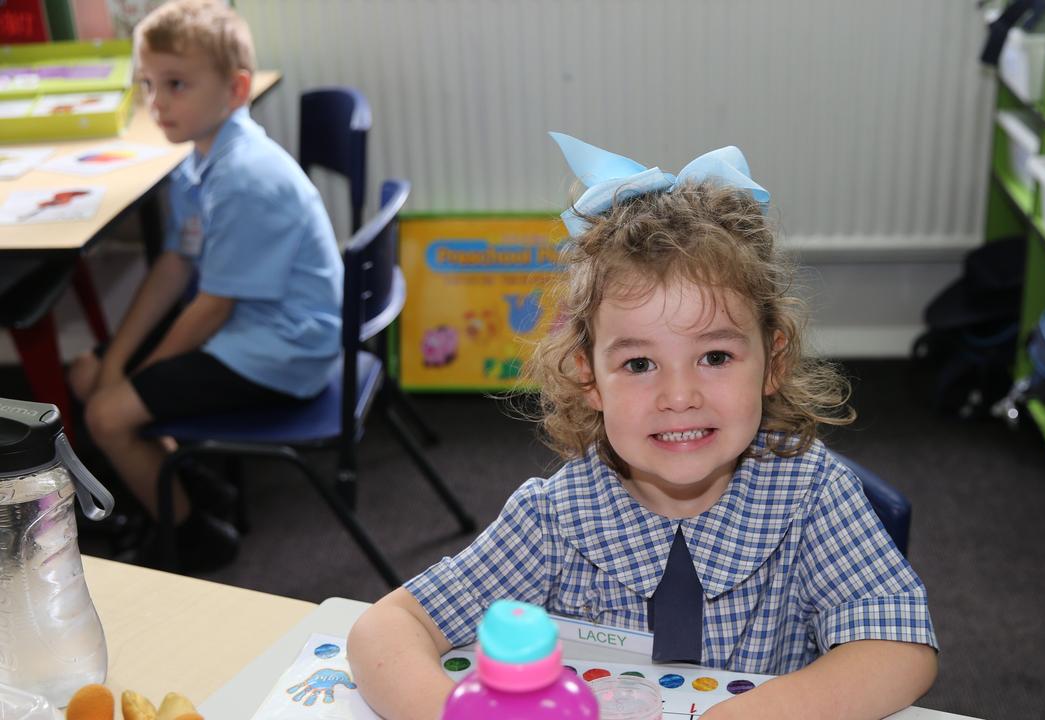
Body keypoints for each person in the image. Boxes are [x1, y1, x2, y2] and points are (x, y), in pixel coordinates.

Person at [348, 132, 938, 719]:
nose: (678, 396)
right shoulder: (558, 516)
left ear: (772, 363)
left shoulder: (813, 495)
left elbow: (900, 647)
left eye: (715, 357)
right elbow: (387, 627)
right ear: (589, 378)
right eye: (638, 364)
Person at [68, 0, 343, 571]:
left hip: (284, 352)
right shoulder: (202, 159)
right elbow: (174, 264)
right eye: (149, 84)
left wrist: (136, 381)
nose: (157, 103)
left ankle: (194, 534)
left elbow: (212, 307)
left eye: (176, 85)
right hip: (245, 326)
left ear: (236, 89)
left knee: (106, 415)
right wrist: (119, 362)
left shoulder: (244, 176)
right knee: (91, 373)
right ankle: (184, 485)